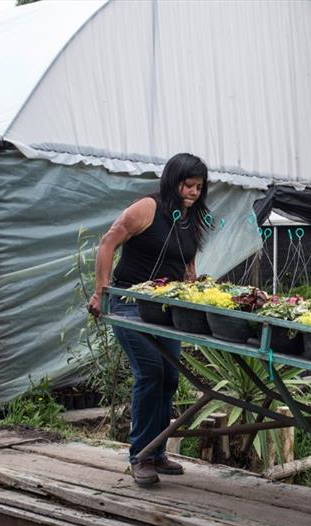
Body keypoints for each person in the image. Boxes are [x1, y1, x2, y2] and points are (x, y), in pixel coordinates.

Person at [87, 152, 211, 486]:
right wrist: (102, 290)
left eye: (199, 187)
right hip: (129, 303)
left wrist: (196, 290)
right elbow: (107, 242)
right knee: (150, 373)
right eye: (189, 185)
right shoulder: (148, 208)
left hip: (166, 309)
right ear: (174, 181)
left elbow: (187, 266)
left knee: (170, 376)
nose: (194, 192)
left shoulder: (191, 219)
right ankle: (140, 456)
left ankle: (157, 452)